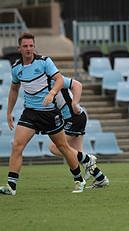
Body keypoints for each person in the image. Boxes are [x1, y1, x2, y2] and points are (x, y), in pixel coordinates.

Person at [0, 32, 88, 195]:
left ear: (34, 47)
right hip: (30, 113)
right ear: (19, 48)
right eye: (25, 46)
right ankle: (11, 186)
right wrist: (9, 112)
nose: (28, 49)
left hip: (49, 113)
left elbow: (60, 79)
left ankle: (79, 180)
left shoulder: (44, 62)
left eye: (31, 46)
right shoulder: (17, 68)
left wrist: (52, 93)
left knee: (62, 147)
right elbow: (14, 89)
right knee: (17, 145)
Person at [48, 76, 109, 188]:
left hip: (74, 117)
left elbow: (78, 85)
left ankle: (88, 159)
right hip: (75, 117)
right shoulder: (41, 83)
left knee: (54, 147)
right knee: (77, 153)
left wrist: (74, 103)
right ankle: (100, 178)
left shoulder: (54, 79)